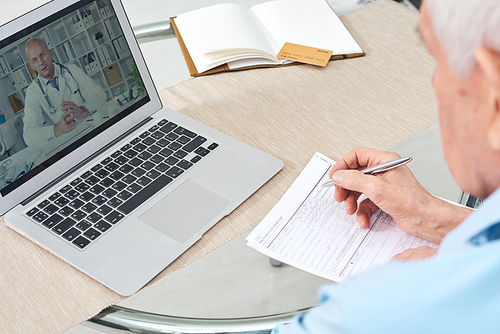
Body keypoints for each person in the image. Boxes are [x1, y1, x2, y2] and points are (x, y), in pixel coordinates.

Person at [272, 0, 500, 332]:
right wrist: (439, 219)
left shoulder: (383, 310)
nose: (435, 82)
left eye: (436, 60)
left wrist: (397, 291)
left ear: (493, 100)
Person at [23, 38, 107, 147]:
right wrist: (56, 130)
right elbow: (29, 136)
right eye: (34, 60)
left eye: (42, 55)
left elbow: (100, 94)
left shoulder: (72, 70)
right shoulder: (33, 92)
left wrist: (84, 110)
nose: (41, 62)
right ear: (31, 66)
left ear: (50, 53)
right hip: (66, 144)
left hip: (90, 132)